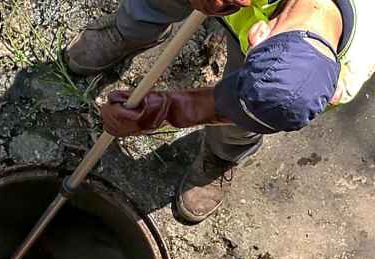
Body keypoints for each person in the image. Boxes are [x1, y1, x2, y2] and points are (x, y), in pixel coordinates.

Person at [65, 0, 375, 223]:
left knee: (244, 121)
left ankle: (223, 153)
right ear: (261, 33)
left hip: (272, 45)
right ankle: (131, 30)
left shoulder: (342, 78)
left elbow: (235, 106)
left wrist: (157, 111)